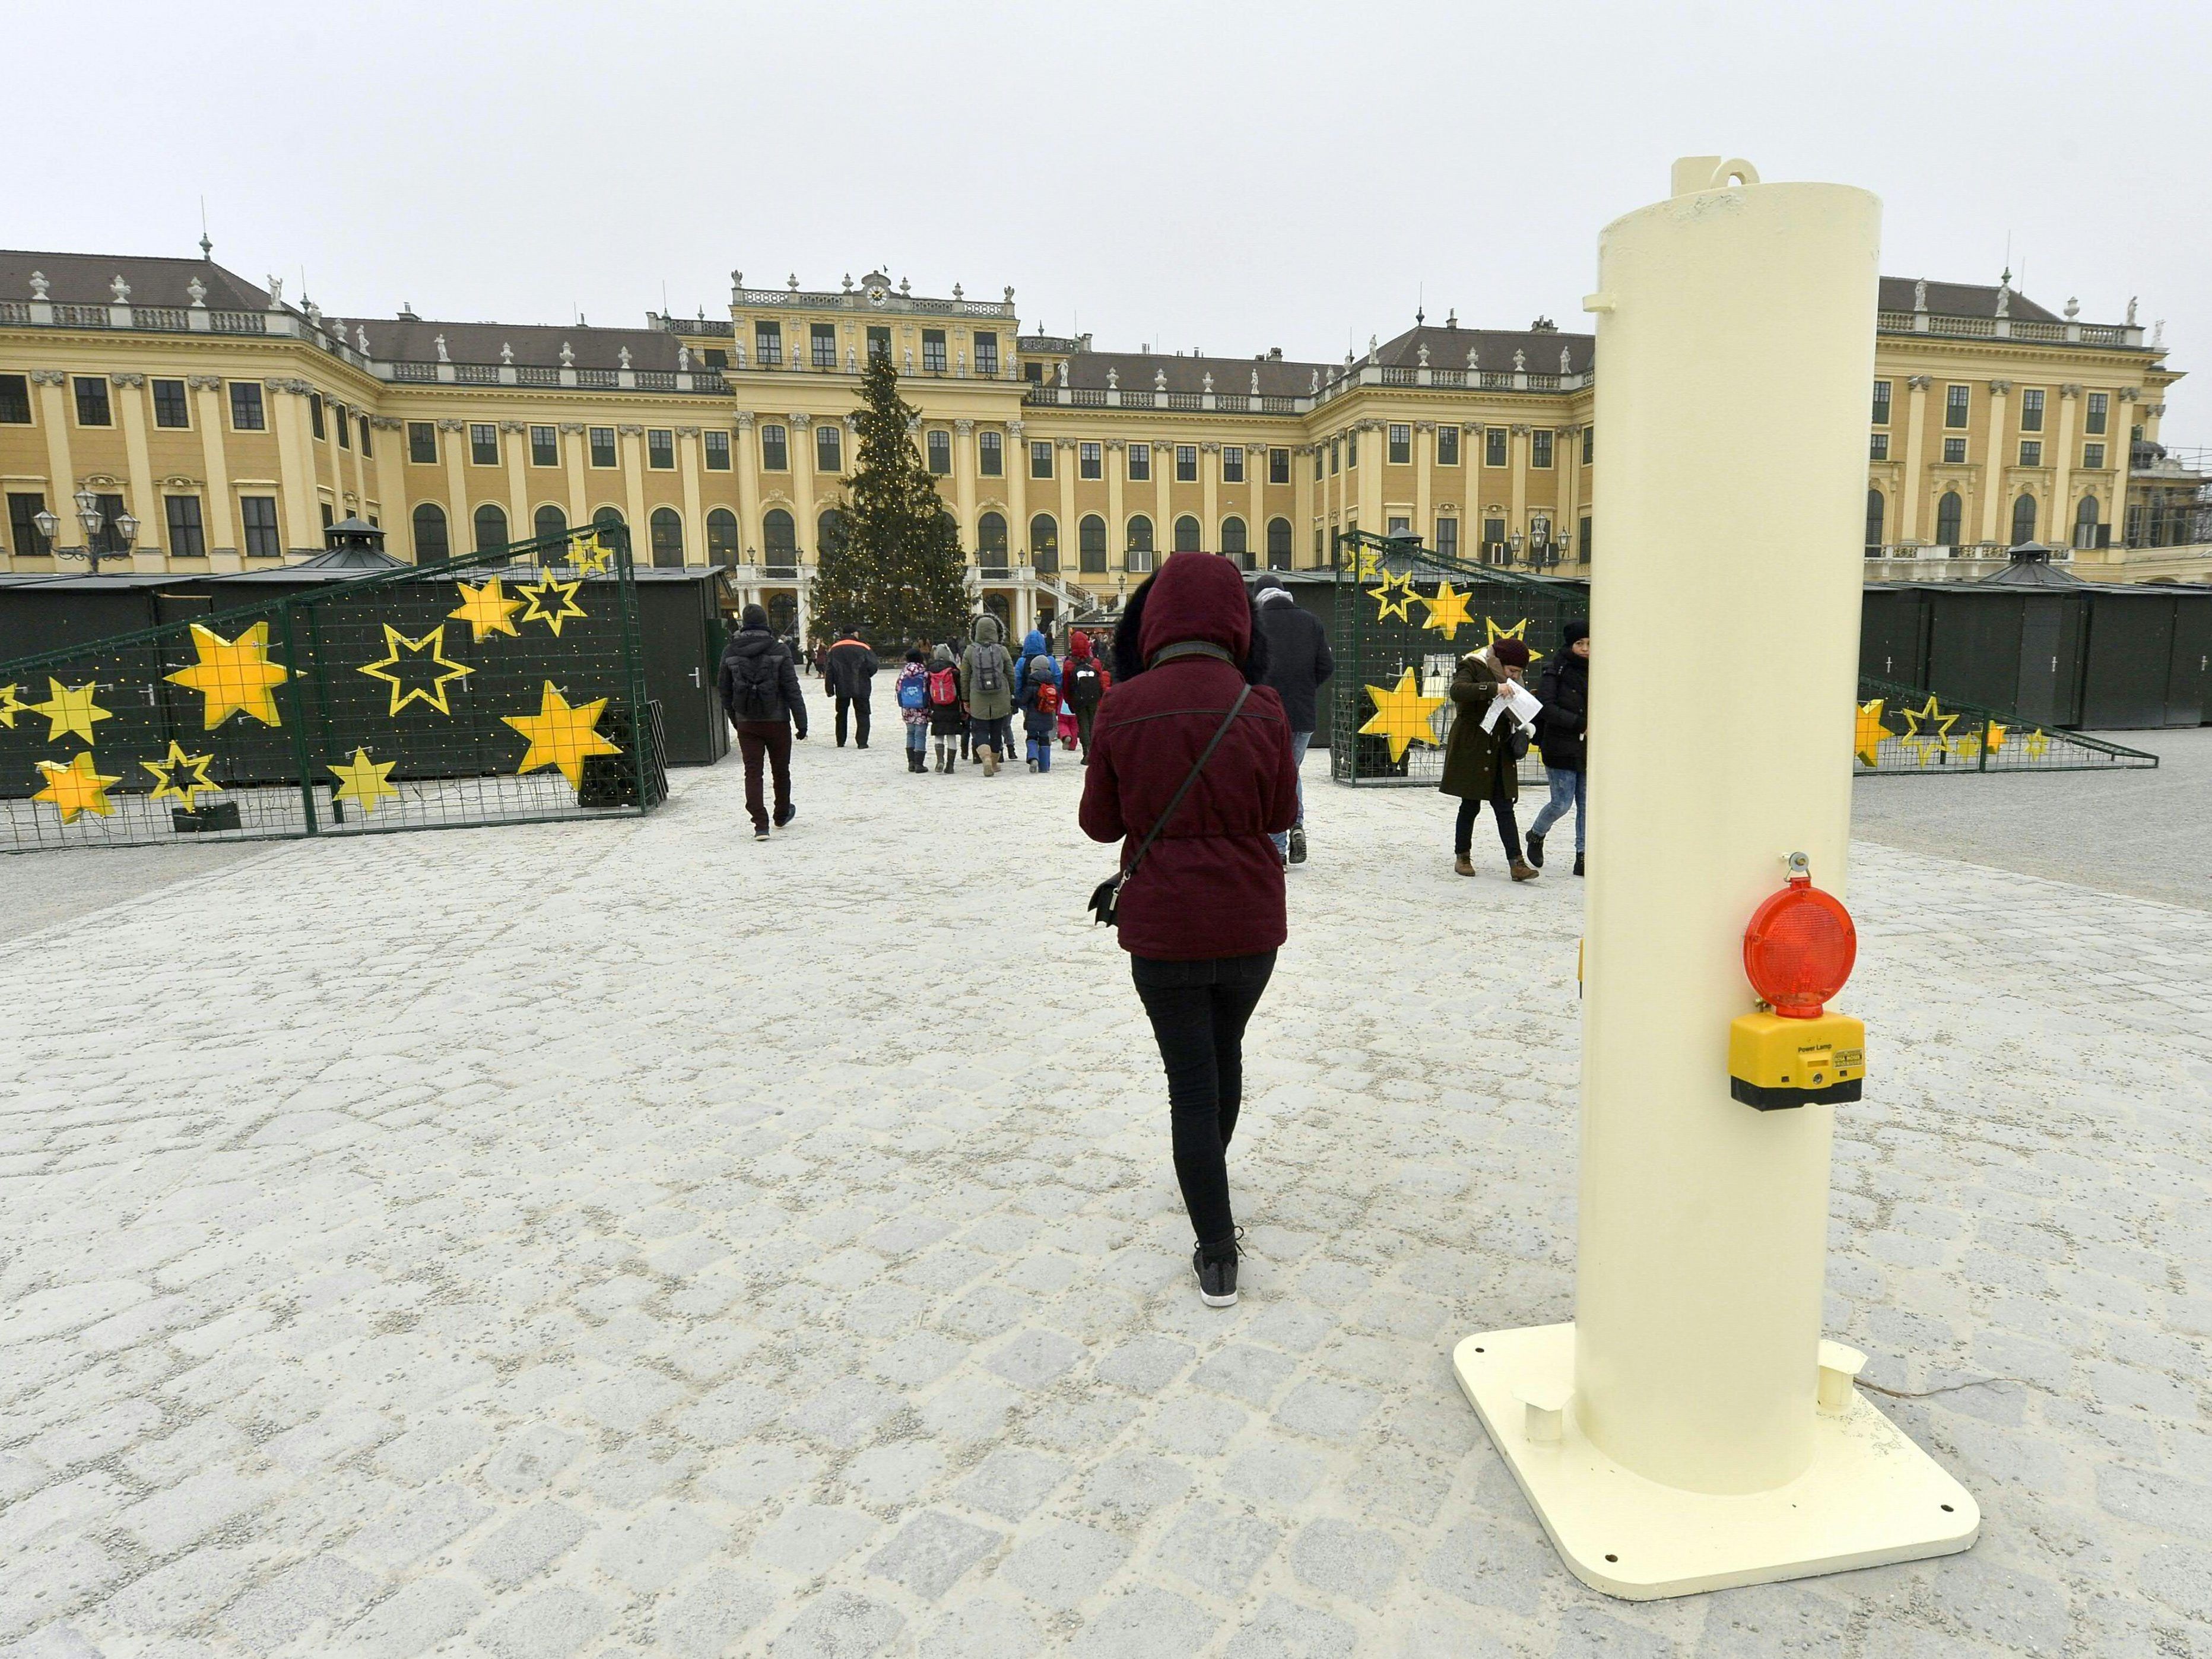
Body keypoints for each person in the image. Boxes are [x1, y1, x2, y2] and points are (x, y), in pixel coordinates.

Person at [1080, 551, 1297, 1309]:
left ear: (1153, 621)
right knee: (1224, 1055)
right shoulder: (1261, 705)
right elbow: (1279, 817)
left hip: (1164, 927)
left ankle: (1214, 1245)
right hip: (1248, 922)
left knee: (1190, 1084)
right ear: (1239, 623)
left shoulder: (1122, 703)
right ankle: (1207, 1173)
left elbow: (1097, 822)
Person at [1249, 573, 1333, 866]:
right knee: (1290, 772)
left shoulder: (1255, 624)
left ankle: (1276, 848)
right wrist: (1306, 687)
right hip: (1302, 713)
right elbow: (1326, 665)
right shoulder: (1311, 621)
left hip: (1264, 715)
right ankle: (1295, 823)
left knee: (1272, 777)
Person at [1441, 636, 1538, 881]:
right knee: (1470, 804)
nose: (1515, 676)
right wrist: (1494, 688)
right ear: (1499, 662)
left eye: (1519, 672)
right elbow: (1458, 691)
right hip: (1473, 744)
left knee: (1505, 806)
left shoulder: (1514, 681)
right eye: (1512, 670)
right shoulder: (1472, 665)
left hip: (1500, 746)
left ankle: (1517, 863)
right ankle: (1462, 855)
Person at [717, 603, 809, 840]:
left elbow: (724, 691)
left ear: (743, 624)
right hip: (777, 720)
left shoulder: (730, 651)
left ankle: (760, 823)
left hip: (747, 721)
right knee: (781, 771)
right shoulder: (779, 650)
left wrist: (736, 719)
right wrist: (801, 721)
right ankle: (781, 813)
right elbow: (792, 688)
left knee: (753, 773)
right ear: (765, 622)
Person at [1528, 619, 1589, 877]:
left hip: (1591, 748)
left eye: (1590, 644)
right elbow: (1546, 706)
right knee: (1562, 804)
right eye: (1580, 643)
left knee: (1587, 806)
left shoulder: (1603, 669)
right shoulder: (1556, 670)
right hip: (1560, 746)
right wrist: (1579, 724)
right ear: (1570, 644)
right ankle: (1537, 833)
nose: (1586, 649)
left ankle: (1583, 856)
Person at [961, 613, 1017, 776]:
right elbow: (1011, 674)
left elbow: (964, 677)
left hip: (978, 697)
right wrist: (1012, 693)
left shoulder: (970, 651)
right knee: (996, 730)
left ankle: (985, 758)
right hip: (1000, 697)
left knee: (980, 730)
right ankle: (993, 763)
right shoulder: (1002, 650)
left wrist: (965, 698)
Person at [1062, 630, 1110, 762]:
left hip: (1078, 699)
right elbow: (1101, 682)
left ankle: (1087, 751)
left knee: (1082, 724)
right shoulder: (1095, 662)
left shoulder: (1069, 664)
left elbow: (1066, 686)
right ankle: (1096, 751)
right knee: (1093, 724)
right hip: (1094, 698)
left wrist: (1070, 701)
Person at [824, 633, 879, 748]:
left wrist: (829, 688)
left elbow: (829, 669)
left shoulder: (834, 649)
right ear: (854, 634)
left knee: (841, 714)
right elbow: (874, 665)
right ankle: (862, 742)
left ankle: (841, 740)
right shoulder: (864, 647)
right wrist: (866, 675)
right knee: (863, 714)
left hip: (841, 687)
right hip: (861, 686)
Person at [1018, 648, 1062, 772]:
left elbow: (1024, 701)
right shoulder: (1051, 684)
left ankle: (1033, 758)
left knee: (1031, 738)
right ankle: (1045, 766)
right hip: (1047, 718)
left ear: (1034, 669)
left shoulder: (1032, 684)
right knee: (1044, 740)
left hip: (1032, 718)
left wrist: (1015, 702)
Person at [925, 643, 965, 773]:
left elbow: (927, 690)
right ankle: (950, 765)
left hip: (937, 707)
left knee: (939, 735)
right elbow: (961, 690)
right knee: (952, 736)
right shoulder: (954, 672)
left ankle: (940, 760)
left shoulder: (930, 671)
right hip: (953, 707)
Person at [894, 648, 932, 773]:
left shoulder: (904, 672)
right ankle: (919, 764)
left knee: (910, 733)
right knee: (920, 735)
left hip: (907, 707)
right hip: (921, 708)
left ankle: (911, 763)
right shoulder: (924, 672)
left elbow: (898, 688)